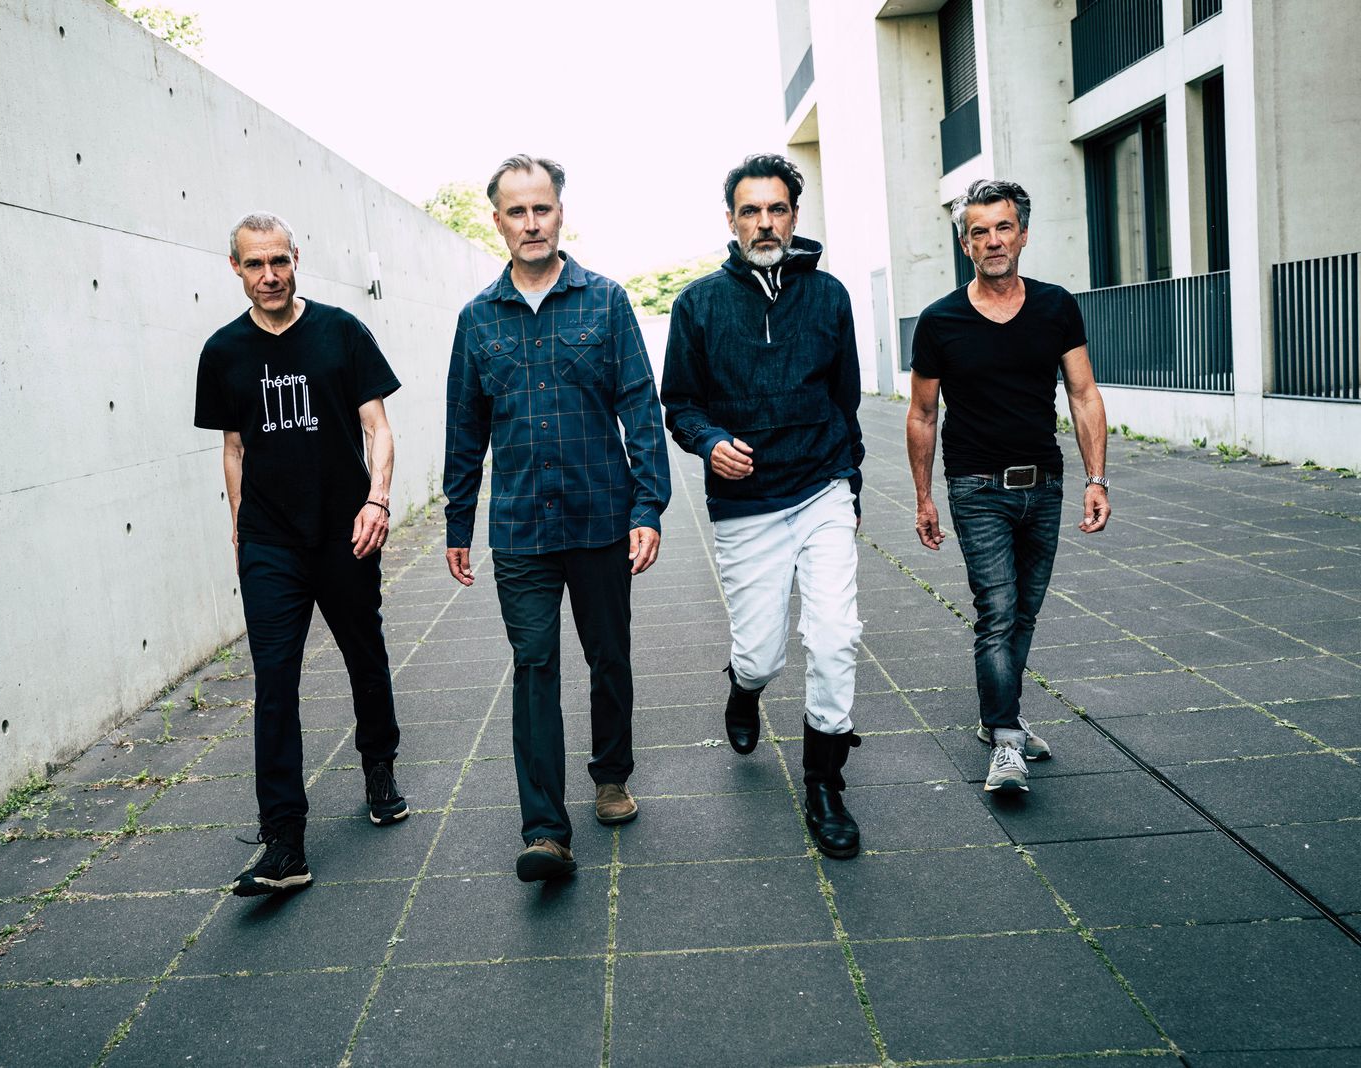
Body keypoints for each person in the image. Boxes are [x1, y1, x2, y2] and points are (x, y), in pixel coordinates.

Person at [443, 155, 671, 883]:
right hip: (520, 528)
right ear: (498, 221)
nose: (531, 223)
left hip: (601, 517)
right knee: (534, 664)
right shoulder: (477, 319)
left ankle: (611, 774)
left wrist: (648, 506)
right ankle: (544, 829)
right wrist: (457, 521)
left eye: (541, 208)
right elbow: (463, 427)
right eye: (517, 211)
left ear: (560, 213)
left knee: (609, 655)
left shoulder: (605, 302)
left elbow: (640, 407)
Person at [194, 211, 409, 896]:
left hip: (346, 531)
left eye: (279, 261)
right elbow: (233, 448)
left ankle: (379, 765)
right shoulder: (222, 351)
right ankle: (284, 840)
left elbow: (378, 426)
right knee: (274, 683)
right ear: (236, 268)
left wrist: (377, 500)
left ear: (296, 258)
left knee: (364, 654)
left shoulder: (341, 331)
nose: (270, 276)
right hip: (269, 541)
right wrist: (239, 528)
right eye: (255, 264)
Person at [661, 153, 867, 859]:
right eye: (750, 211)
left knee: (835, 634)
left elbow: (845, 401)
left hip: (822, 487)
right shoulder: (698, 305)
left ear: (795, 216)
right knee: (761, 653)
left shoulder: (830, 296)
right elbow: (680, 405)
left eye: (777, 209)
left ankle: (824, 782)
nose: (765, 223)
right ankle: (744, 688)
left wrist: (851, 486)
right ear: (731, 221)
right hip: (746, 504)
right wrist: (710, 441)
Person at [905, 178, 1111, 795]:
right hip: (976, 488)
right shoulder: (939, 321)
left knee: (1024, 613)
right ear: (965, 244)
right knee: (996, 612)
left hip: (1044, 484)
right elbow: (922, 414)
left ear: (1022, 235)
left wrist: (1096, 479)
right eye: (979, 232)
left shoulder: (1055, 307)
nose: (993, 240)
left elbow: (1083, 394)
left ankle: (1001, 717)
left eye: (1003, 228)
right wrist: (924, 497)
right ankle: (1005, 741)